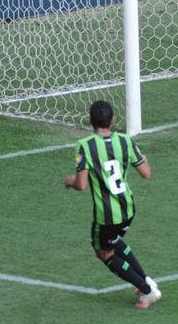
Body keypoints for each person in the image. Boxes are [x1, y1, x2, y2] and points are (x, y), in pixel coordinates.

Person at [63, 100, 161, 308]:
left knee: (103, 252)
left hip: (106, 216)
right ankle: (146, 280)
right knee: (114, 240)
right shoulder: (126, 141)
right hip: (128, 208)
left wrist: (69, 181)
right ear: (113, 120)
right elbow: (146, 173)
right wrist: (144, 157)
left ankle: (146, 290)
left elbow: (81, 185)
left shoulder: (85, 145)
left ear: (90, 121)